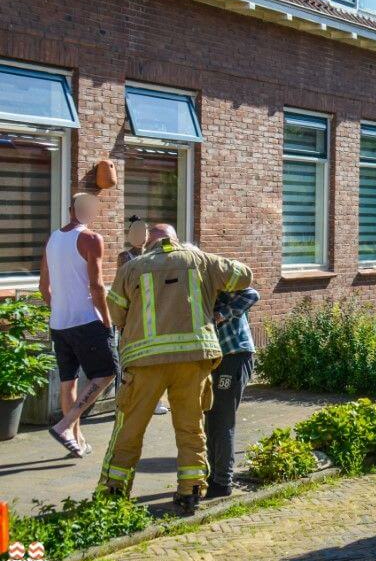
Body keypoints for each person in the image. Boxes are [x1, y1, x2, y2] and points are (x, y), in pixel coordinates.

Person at [99, 224, 253, 514]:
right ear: (176, 240)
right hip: (192, 361)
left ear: (149, 243)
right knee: (190, 428)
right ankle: (190, 493)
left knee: (129, 429)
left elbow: (115, 312)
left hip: (144, 363)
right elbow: (244, 276)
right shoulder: (202, 261)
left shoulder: (134, 268)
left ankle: (113, 494)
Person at [40, 193, 119, 458]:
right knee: (108, 372)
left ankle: (76, 440)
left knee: (68, 381)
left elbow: (44, 287)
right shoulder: (91, 238)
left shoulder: (53, 239)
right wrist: (107, 321)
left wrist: (59, 310)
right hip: (86, 320)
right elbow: (97, 286)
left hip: (59, 323)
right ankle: (65, 426)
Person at [205, 286, 260, 498]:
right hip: (216, 359)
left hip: (235, 355)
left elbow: (252, 294)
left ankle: (222, 481)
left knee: (222, 418)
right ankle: (213, 475)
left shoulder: (220, 282)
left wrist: (222, 314)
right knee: (210, 416)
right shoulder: (196, 288)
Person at [118, 217, 169, 417]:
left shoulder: (155, 255)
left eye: (144, 232)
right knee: (132, 361)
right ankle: (126, 400)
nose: (141, 235)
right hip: (133, 315)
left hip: (154, 315)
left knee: (154, 360)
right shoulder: (125, 257)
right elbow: (123, 284)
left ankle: (154, 400)